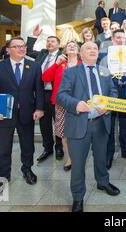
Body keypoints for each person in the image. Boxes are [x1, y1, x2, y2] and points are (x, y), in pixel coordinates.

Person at [56, 41, 119, 213]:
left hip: (101, 123)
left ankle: (103, 182)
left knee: (100, 157)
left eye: (95, 49)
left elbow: (113, 92)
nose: (93, 50)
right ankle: (78, 197)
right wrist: (76, 104)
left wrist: (109, 104)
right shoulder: (71, 72)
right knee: (78, 164)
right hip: (79, 124)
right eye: (88, 48)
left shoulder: (105, 71)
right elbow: (61, 95)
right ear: (81, 53)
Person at [0, 37, 44, 192]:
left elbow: (39, 90)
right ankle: (3, 176)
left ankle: (27, 169)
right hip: (3, 115)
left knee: (28, 145)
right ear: (8, 50)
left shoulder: (34, 66)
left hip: (27, 113)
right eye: (16, 46)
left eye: (23, 46)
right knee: (3, 148)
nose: (21, 49)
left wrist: (39, 108)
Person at [99, 29, 126, 169]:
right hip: (110, 92)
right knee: (110, 123)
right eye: (118, 38)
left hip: (125, 92)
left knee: (125, 123)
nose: (120, 40)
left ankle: (125, 151)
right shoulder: (105, 54)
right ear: (112, 39)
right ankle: (109, 154)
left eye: (122, 38)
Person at [42, 41, 82, 171]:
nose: (71, 47)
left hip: (78, 104)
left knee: (77, 132)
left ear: (79, 51)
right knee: (64, 133)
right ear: (64, 50)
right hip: (61, 103)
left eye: (74, 46)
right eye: (69, 45)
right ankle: (69, 158)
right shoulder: (60, 65)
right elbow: (45, 78)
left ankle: (78, 157)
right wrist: (56, 63)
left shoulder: (83, 65)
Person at [26, 25, 63, 162]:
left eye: (53, 41)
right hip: (41, 94)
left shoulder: (62, 56)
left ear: (58, 45)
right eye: (48, 41)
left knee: (58, 121)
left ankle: (59, 147)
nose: (49, 43)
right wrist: (34, 36)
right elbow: (28, 51)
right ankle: (47, 148)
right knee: (44, 122)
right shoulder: (42, 54)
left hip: (56, 94)